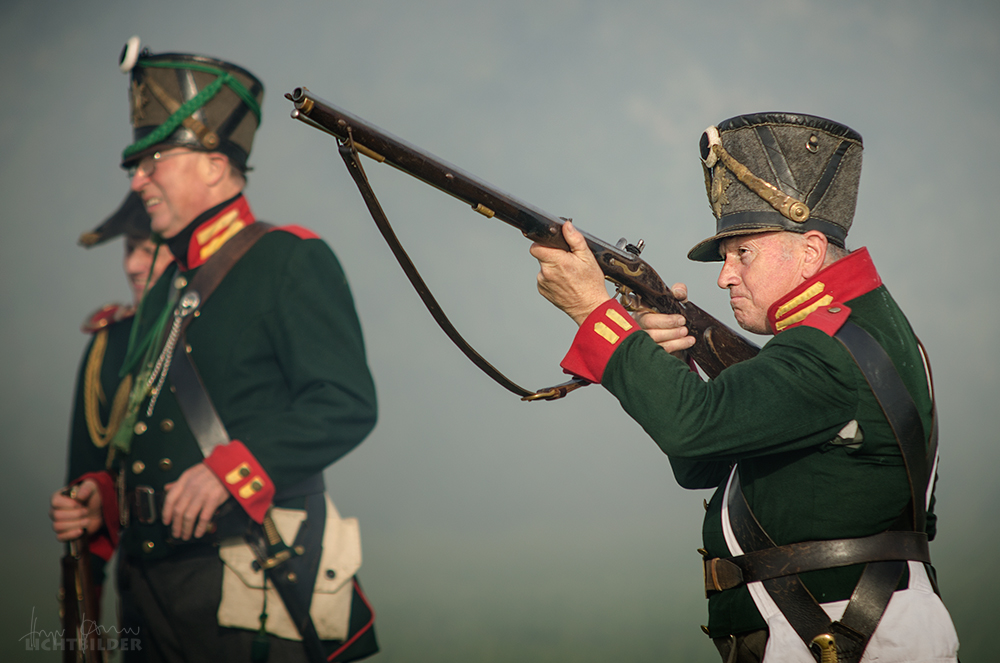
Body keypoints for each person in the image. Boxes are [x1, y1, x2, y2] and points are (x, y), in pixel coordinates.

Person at [531, 112, 959, 662]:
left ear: (807, 252)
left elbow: (692, 430)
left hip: (848, 638)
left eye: (743, 254)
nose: (724, 275)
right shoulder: (850, 328)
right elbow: (705, 462)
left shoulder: (825, 347)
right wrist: (679, 359)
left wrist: (593, 310)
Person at [48, 38, 378, 663]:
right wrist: (109, 498)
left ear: (213, 164)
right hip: (145, 585)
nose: (137, 178)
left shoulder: (289, 259)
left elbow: (346, 405)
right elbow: (154, 424)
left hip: (243, 579)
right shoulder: (168, 282)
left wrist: (233, 470)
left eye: (154, 160)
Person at [51, 191, 175, 601]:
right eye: (129, 249)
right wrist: (85, 600)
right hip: (137, 572)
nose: (132, 265)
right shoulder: (109, 341)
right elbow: (85, 469)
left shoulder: (205, 332)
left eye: (149, 250)